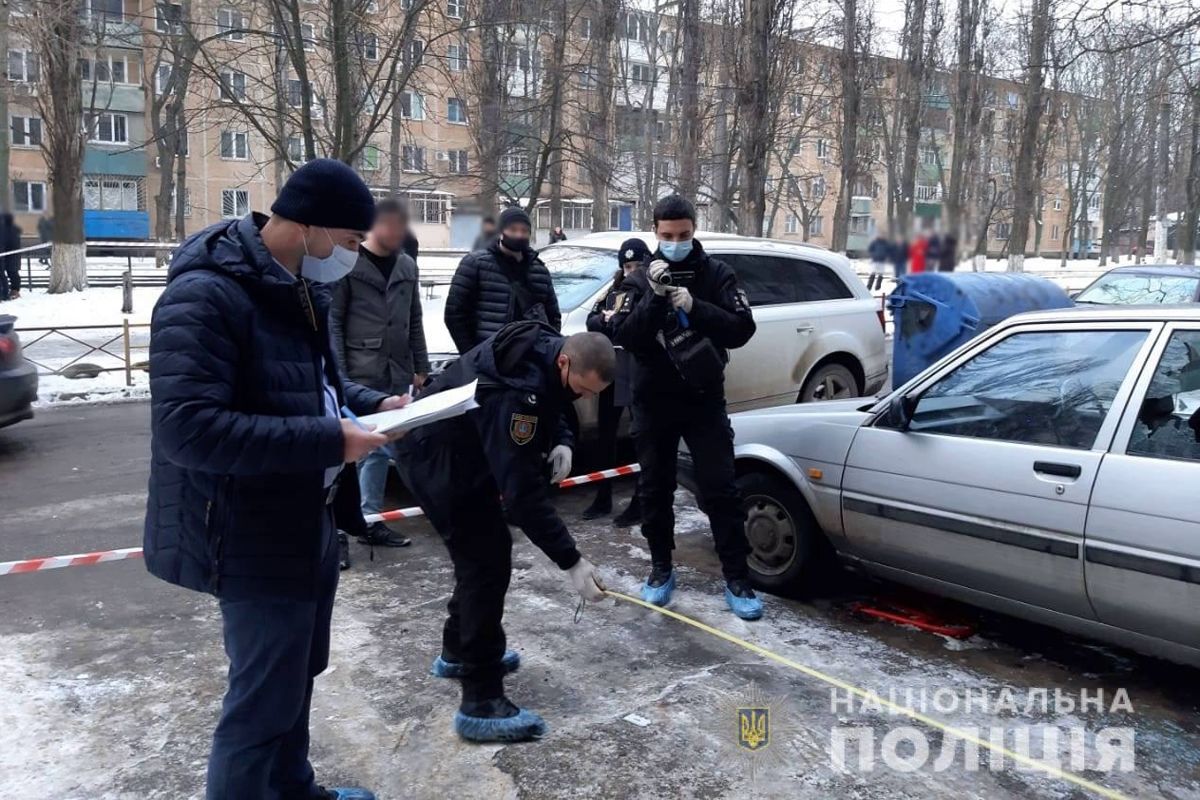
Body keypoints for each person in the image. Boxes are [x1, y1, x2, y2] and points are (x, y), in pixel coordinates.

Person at [143, 158, 407, 800]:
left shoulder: (298, 286)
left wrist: (373, 406)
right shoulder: (206, 295)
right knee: (260, 703)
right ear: (310, 226)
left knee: (298, 676)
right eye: (347, 243)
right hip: (247, 533)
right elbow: (188, 429)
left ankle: (294, 788)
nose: (349, 258)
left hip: (306, 520)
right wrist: (328, 439)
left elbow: (317, 385)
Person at [397, 321, 611, 742]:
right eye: (582, 390)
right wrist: (572, 560)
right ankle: (481, 699)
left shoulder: (548, 352)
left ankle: (457, 650)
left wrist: (564, 437)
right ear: (565, 361)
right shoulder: (518, 393)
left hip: (457, 448)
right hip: (434, 457)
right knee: (485, 563)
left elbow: (556, 400)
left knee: (485, 555)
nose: (583, 399)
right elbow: (522, 497)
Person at [609, 195, 762, 620]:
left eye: (683, 235)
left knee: (721, 488)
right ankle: (661, 569)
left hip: (702, 398)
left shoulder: (717, 274)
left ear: (694, 229)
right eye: (667, 236)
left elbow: (742, 329)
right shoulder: (639, 278)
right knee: (655, 489)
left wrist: (697, 307)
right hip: (653, 400)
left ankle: (737, 575)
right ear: (655, 231)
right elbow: (625, 335)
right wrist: (656, 297)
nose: (675, 242)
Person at [331, 198, 429, 552]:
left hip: (396, 371)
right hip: (359, 371)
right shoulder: (348, 264)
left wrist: (422, 366)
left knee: (384, 449)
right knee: (345, 453)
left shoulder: (406, 265)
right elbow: (334, 322)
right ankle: (337, 533)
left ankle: (370, 520)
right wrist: (338, 376)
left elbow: (413, 319)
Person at [581, 237, 649, 524]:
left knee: (641, 437)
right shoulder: (617, 287)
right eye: (627, 264)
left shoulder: (651, 288)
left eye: (637, 264)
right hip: (614, 369)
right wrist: (607, 322)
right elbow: (595, 321)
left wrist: (614, 322)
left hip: (641, 370)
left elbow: (633, 326)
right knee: (606, 434)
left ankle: (640, 501)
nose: (632, 270)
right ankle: (603, 495)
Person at [445, 206, 561, 354]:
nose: (519, 235)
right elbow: (454, 314)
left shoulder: (539, 270)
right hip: (488, 359)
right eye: (512, 230)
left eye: (524, 231)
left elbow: (553, 317)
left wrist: (546, 349)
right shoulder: (476, 264)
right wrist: (472, 355)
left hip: (531, 360)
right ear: (500, 232)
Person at [1, 213, 22, 300]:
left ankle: (8, 292)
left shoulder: (5, 230)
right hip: (12, 255)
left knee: (6, 274)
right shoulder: (14, 229)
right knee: (12, 273)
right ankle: (14, 290)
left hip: (9, 255)